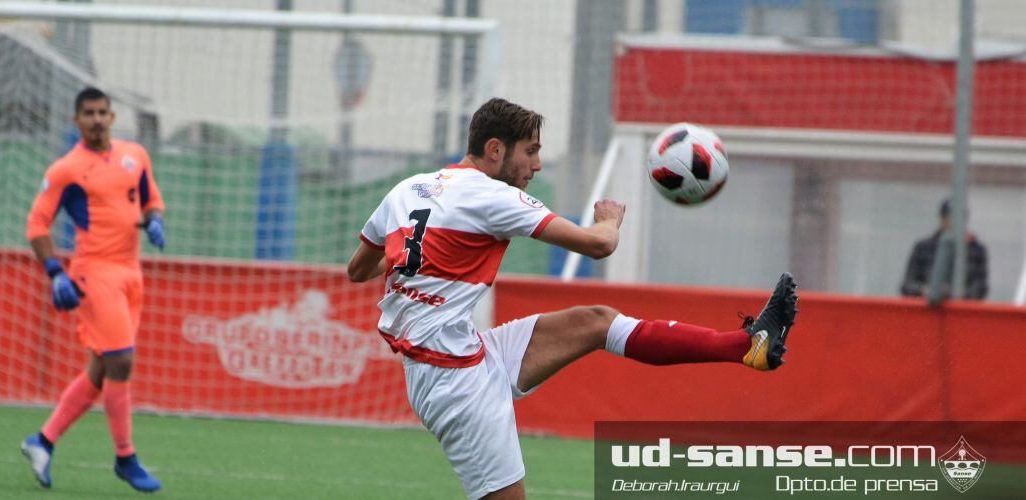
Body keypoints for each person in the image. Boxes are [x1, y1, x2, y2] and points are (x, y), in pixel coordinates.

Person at [347, 98, 799, 499]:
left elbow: (358, 269)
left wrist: (419, 266)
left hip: (468, 356)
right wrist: (608, 219)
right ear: (495, 150)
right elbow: (598, 244)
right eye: (532, 151)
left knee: (596, 322)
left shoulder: (408, 189)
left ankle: (747, 346)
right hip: (455, 383)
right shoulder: (491, 195)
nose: (538, 165)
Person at [20, 87, 165, 492]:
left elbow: (152, 200)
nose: (97, 119)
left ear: (113, 117)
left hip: (131, 274)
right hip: (94, 274)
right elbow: (36, 225)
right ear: (76, 120)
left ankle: (42, 441)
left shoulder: (135, 155)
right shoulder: (67, 169)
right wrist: (55, 272)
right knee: (121, 361)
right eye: (89, 113)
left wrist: (155, 221)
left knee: (102, 370)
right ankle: (125, 458)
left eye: (103, 112)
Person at [901, 199, 988, 300]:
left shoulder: (976, 250)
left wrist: (955, 293)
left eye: (958, 218)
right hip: (928, 308)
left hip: (960, 311)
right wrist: (924, 290)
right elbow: (907, 285)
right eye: (948, 218)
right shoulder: (923, 247)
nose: (953, 223)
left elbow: (980, 288)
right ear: (942, 219)